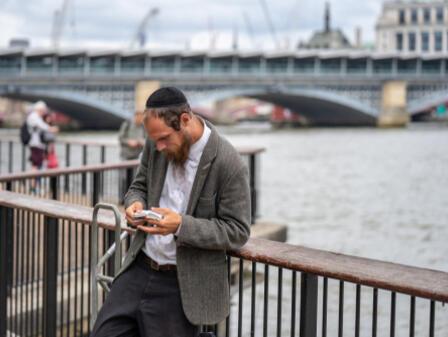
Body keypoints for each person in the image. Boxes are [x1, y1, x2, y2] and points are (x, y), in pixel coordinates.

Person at [91, 87, 251, 337]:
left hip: (181, 284)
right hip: (139, 267)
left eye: (164, 138)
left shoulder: (229, 164)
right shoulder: (157, 141)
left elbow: (237, 231)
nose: (159, 146)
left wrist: (180, 226)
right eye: (155, 140)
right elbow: (139, 186)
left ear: (185, 120)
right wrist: (135, 204)